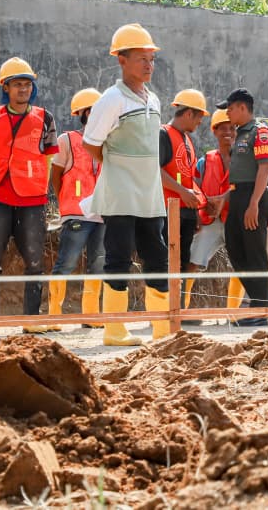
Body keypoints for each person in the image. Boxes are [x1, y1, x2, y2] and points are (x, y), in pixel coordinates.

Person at [82, 24, 171, 346]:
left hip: (149, 193)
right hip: (120, 193)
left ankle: (162, 328)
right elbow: (91, 143)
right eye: (141, 59)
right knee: (118, 256)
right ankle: (115, 330)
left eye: (151, 59)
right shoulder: (112, 99)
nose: (148, 65)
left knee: (157, 256)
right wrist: (118, 165)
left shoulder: (155, 99)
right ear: (122, 60)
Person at [0, 57, 59, 333]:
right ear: (5, 88)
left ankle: (32, 320)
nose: (23, 89)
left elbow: (50, 158)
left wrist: (45, 192)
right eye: (17, 84)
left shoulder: (45, 118)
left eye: (27, 84)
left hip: (31, 199)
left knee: (34, 261)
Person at [216, 88, 268, 326]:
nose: (227, 113)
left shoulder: (259, 132)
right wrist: (225, 197)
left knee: (255, 255)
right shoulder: (240, 134)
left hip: (254, 197)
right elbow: (238, 175)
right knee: (235, 250)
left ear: (242, 107)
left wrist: (253, 205)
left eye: (229, 108)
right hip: (238, 196)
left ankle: (260, 311)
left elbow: (264, 169)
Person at [49, 88, 105, 329]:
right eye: (94, 111)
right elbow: (57, 176)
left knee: (98, 263)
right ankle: (54, 315)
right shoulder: (67, 140)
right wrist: (65, 202)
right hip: (75, 212)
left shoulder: (108, 143)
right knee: (67, 263)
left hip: (103, 214)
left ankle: (90, 316)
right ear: (84, 113)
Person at [160, 89, 208, 315]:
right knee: (169, 263)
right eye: (199, 116)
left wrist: (196, 209)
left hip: (186, 212)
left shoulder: (187, 139)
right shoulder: (163, 134)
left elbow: (188, 177)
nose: (200, 121)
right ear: (188, 113)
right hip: (170, 211)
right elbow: (156, 171)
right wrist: (182, 193)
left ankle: (178, 312)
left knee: (182, 263)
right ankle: (165, 312)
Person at [190, 109, 241, 311]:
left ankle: (235, 314)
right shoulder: (205, 162)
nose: (227, 133)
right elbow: (195, 188)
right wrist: (200, 210)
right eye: (222, 129)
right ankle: (180, 310)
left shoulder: (244, 161)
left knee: (241, 266)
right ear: (215, 132)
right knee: (192, 263)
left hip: (235, 220)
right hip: (210, 221)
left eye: (232, 128)